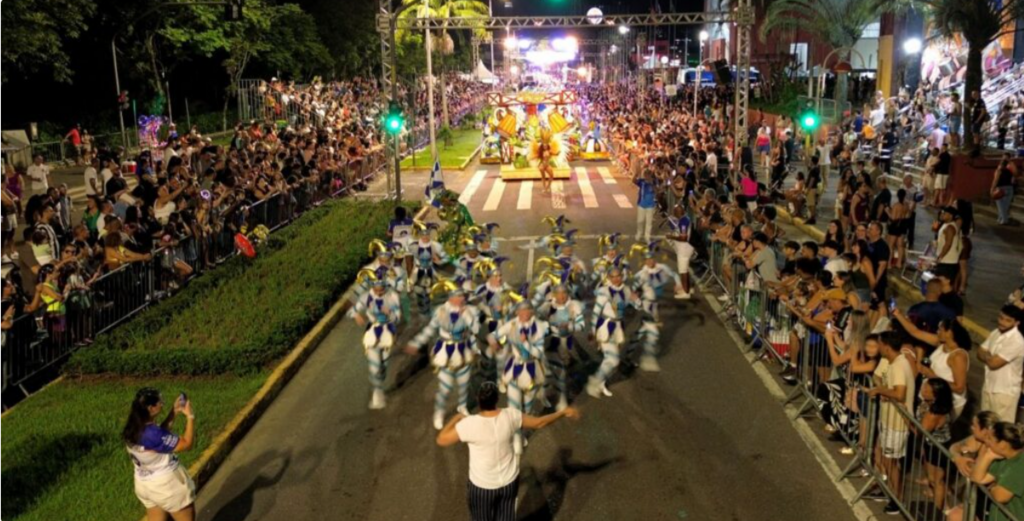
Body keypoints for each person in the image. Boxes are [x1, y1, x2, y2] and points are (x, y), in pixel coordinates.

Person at [435, 382, 580, 521]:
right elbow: (539, 422)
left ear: (479, 400)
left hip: (482, 486)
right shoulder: (511, 416)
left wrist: (457, 417)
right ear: (497, 399)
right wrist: (563, 412)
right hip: (509, 482)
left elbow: (441, 439)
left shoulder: (469, 424)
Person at [405, 281, 480, 430]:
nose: (462, 299)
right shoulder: (440, 311)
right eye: (458, 296)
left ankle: (462, 407)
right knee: (445, 388)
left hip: (463, 351)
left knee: (464, 385)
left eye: (462, 296)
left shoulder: (471, 310)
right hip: (445, 352)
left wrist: (467, 316)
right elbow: (430, 330)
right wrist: (416, 342)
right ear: (451, 297)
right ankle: (439, 413)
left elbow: (475, 330)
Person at [122, 387, 196, 521]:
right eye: (159, 402)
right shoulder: (153, 434)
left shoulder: (133, 426)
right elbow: (187, 444)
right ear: (150, 408)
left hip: (144, 484)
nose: (162, 404)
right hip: (166, 486)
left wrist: (174, 412)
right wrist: (190, 417)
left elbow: (159, 438)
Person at [866, 331, 916, 516]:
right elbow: (880, 379)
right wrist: (884, 389)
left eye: (880, 344)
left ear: (887, 346)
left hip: (897, 423)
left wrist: (880, 390)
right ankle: (889, 490)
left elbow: (900, 394)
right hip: (888, 419)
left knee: (892, 462)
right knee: (886, 458)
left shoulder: (899, 366)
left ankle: (897, 498)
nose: (878, 348)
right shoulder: (893, 363)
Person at [490, 301, 549, 454]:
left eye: (527, 311)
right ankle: (516, 439)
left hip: (532, 370)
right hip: (515, 368)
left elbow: (539, 353)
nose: (524, 314)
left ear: (532, 312)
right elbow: (493, 335)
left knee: (527, 408)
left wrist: (526, 344)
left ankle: (521, 432)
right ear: (516, 313)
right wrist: (494, 343)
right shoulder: (511, 325)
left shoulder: (540, 327)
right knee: (513, 407)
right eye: (521, 311)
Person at [894, 310, 971, 419]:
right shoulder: (940, 343)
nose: (937, 331)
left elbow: (959, 387)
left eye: (940, 329)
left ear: (949, 333)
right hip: (931, 395)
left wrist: (932, 376)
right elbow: (915, 332)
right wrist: (898, 314)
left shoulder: (958, 356)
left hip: (946, 402)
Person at [349, 270, 402, 410]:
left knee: (383, 367)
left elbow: (398, 317)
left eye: (381, 290)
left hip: (387, 333)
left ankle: (379, 384)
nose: (379, 292)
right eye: (376, 290)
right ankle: (377, 392)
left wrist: (389, 313)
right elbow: (352, 310)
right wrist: (356, 315)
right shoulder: (366, 297)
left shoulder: (392, 296)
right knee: (375, 367)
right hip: (372, 333)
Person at [587, 267, 642, 398]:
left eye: (618, 276)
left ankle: (601, 383)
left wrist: (637, 300)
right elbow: (595, 312)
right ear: (609, 278)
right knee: (613, 359)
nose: (616, 279)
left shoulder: (626, 290)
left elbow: (638, 307)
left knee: (610, 359)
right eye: (613, 276)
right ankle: (595, 382)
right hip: (606, 326)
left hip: (618, 327)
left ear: (622, 276)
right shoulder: (604, 292)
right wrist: (593, 331)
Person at [977, 306, 1024, 422]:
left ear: (1017, 323)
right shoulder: (996, 332)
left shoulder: (1017, 341)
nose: (1002, 322)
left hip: (1004, 393)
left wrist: (988, 355)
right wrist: (990, 357)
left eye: (1007, 320)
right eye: (1001, 318)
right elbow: (979, 352)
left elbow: (994, 364)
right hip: (988, 387)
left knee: (1001, 431)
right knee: (984, 425)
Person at [933, 206, 962, 282]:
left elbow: (948, 244)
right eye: (942, 213)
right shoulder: (945, 224)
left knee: (943, 285)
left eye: (944, 213)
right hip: (945, 260)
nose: (942, 214)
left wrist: (940, 256)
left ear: (950, 216)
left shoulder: (950, 227)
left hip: (948, 262)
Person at [992, 154, 1019, 225]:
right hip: (1009, 188)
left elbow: (996, 180)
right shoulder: (1010, 167)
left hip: (1001, 188)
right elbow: (1016, 174)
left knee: (1001, 206)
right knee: (1005, 206)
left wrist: (992, 189)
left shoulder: (1000, 169)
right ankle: (1000, 218)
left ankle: (1004, 219)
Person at [634, 168, 656, 242]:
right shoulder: (641, 182)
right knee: (640, 221)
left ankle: (647, 236)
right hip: (641, 204)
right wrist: (635, 174)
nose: (647, 176)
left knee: (649, 222)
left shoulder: (654, 182)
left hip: (650, 205)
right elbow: (634, 181)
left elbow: (657, 190)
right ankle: (639, 233)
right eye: (645, 174)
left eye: (648, 174)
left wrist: (651, 183)